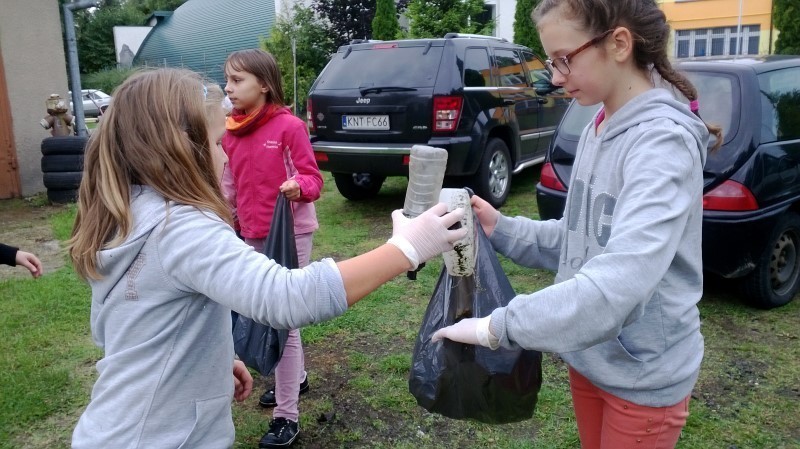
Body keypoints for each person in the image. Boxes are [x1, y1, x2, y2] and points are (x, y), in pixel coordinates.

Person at [68, 68, 466, 449]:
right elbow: (286, 298)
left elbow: (129, 329)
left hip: (116, 426)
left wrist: (208, 360)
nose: (224, 155)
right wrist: (406, 248)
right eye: (215, 142)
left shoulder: (127, 214)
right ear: (181, 150)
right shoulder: (180, 227)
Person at [433, 1, 723, 448]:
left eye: (564, 59)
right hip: (590, 358)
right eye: (551, 62)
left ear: (619, 44)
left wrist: (496, 327)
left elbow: (616, 285)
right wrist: (500, 228)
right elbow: (580, 240)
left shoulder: (663, 142)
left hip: (642, 378)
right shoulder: (598, 126)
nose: (555, 76)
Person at [221, 48, 321, 448]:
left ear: (263, 84)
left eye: (237, 80)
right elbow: (230, 186)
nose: (228, 89)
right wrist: (220, 217)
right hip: (251, 236)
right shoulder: (231, 132)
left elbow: (313, 178)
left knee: (284, 320)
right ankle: (295, 379)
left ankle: (286, 417)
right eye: (227, 80)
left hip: (290, 235)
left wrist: (298, 188)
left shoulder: (289, 127)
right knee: (264, 315)